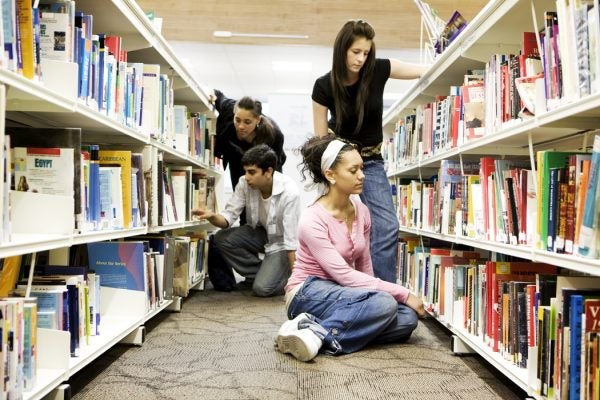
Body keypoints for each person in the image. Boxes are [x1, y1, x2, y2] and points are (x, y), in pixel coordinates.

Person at [274, 135, 425, 362]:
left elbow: (364, 264)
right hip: (307, 292)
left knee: (406, 319)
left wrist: (377, 295)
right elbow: (343, 274)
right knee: (385, 304)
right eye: (353, 170)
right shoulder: (312, 219)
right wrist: (402, 294)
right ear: (330, 175)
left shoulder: (361, 210)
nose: (362, 176)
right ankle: (319, 332)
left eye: (362, 168)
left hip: (341, 292)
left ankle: (310, 332)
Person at [311, 19, 429, 283]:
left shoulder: (378, 69)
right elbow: (320, 140)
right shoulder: (323, 86)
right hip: (340, 165)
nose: (361, 59)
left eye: (366, 53)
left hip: (372, 162)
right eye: (355, 52)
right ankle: (337, 285)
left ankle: (383, 292)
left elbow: (423, 70)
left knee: (387, 226)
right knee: (338, 228)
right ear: (342, 50)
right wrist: (328, 178)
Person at [192, 144, 301, 297]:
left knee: (262, 289)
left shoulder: (289, 193)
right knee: (221, 238)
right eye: (245, 172)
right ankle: (262, 274)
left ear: (268, 171)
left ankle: (281, 276)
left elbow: (292, 242)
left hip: (281, 242)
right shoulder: (244, 183)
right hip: (260, 233)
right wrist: (212, 216)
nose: (247, 177)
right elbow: (228, 217)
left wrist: (298, 283)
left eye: (252, 172)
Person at [211, 89, 287, 191]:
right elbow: (218, 95)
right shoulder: (229, 110)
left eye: (247, 122)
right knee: (239, 192)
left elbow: (273, 171)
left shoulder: (274, 135)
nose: (241, 126)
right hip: (236, 159)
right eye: (237, 120)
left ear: (258, 120)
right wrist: (211, 93)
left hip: (263, 164)